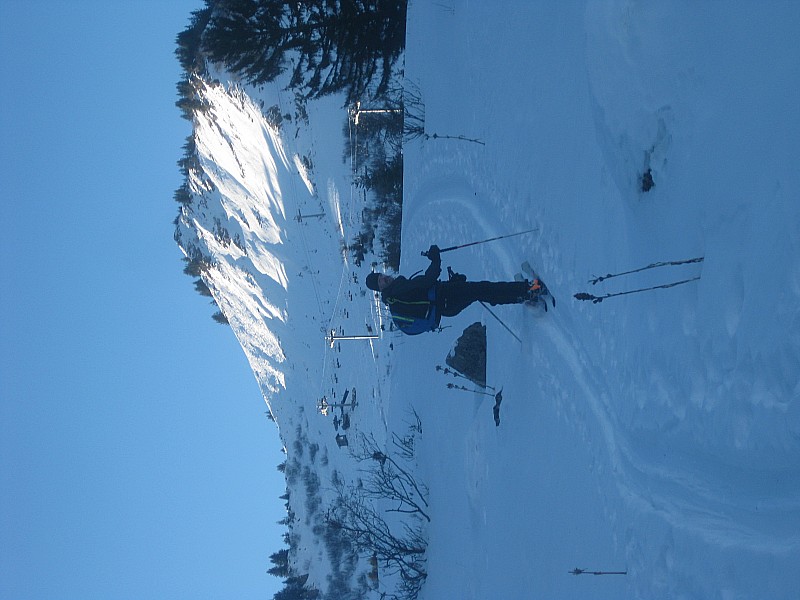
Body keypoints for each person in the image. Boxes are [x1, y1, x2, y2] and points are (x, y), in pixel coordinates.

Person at [365, 245, 542, 335]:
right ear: (380, 289)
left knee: (482, 291)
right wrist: (435, 259)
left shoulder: (395, 296)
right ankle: (528, 290)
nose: (384, 278)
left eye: (381, 276)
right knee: (485, 290)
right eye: (380, 282)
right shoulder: (397, 290)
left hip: (445, 304)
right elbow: (427, 281)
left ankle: (522, 293)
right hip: (445, 298)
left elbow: (423, 290)